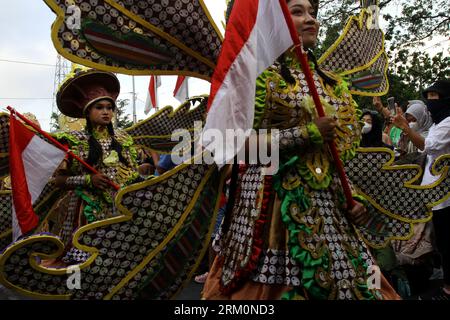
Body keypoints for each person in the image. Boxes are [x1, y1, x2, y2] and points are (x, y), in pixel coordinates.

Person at [202, 0, 399, 300]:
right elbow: (229, 145)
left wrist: (354, 200)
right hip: (270, 212)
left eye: (312, 13)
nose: (311, 20)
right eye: (297, 12)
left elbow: (334, 158)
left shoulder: (330, 84)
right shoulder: (253, 79)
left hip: (331, 214)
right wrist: (305, 133)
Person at [40, 69, 142, 266]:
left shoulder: (123, 139)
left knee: (116, 261)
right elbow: (58, 180)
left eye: (110, 108)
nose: (106, 112)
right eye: (100, 107)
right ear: (87, 112)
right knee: (84, 261)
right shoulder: (73, 141)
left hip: (118, 205)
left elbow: (132, 171)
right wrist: (88, 180)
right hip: (85, 209)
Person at [418, 79, 450, 300]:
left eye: (434, 97)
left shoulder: (449, 122)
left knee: (448, 240)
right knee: (442, 239)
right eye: (428, 97)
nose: (430, 103)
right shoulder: (438, 124)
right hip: (435, 193)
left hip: (446, 194)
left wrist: (403, 127)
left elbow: (427, 146)